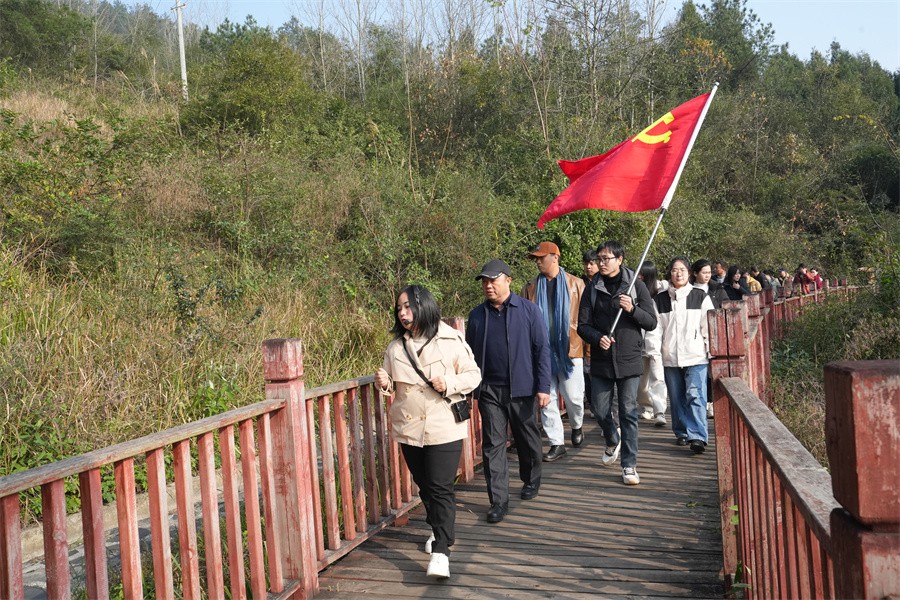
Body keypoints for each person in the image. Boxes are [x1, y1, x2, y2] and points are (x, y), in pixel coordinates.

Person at [374, 285, 482, 579]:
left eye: (408, 306)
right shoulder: (396, 348)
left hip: (443, 425)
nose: (403, 313)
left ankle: (441, 552)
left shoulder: (450, 339)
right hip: (409, 427)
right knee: (425, 485)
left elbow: (473, 375)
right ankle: (440, 530)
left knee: (440, 486)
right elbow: (393, 387)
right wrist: (384, 383)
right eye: (399, 308)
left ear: (424, 306)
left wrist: (449, 382)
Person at [466, 259, 550, 523]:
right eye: (485, 281)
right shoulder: (477, 316)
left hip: (522, 389)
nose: (488, 286)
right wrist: (469, 388)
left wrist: (543, 387)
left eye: (493, 280)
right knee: (493, 445)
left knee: (527, 439)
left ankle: (531, 478)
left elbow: (542, 350)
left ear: (508, 280)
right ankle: (498, 501)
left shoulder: (529, 311)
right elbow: (468, 356)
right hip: (490, 390)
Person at [577, 241, 657, 486]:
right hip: (602, 360)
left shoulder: (636, 285)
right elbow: (583, 326)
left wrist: (632, 309)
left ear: (620, 260)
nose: (601, 263)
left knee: (628, 412)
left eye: (606, 258)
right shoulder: (592, 288)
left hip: (629, 358)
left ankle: (629, 464)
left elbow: (651, 321)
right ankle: (613, 438)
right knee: (600, 410)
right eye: (599, 259)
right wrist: (597, 337)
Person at [522, 242, 587, 461]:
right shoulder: (530, 287)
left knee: (574, 397)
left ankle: (577, 425)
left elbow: (585, 319)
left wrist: (588, 350)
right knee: (546, 398)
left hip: (570, 348)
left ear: (555, 257)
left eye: (541, 258)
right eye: (536, 259)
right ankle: (556, 443)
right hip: (541, 350)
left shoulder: (576, 284)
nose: (538, 262)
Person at [647, 258, 716, 453]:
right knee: (676, 398)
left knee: (695, 394)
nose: (679, 274)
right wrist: (654, 352)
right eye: (675, 270)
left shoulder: (700, 297)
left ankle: (698, 436)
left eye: (683, 270)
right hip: (671, 356)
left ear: (689, 273)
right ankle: (682, 432)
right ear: (669, 273)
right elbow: (655, 330)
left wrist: (711, 352)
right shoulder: (659, 300)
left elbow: (708, 327)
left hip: (696, 356)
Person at [636, 261, 668, 427]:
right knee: (642, 380)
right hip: (639, 341)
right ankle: (646, 407)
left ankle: (659, 411)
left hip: (656, 342)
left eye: (642, 274)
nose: (639, 277)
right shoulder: (635, 289)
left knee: (657, 377)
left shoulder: (661, 291)